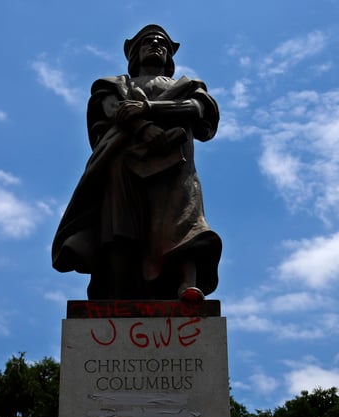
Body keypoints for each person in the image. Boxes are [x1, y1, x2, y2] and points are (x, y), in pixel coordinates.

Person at [52, 24, 222, 301]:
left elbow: (198, 110)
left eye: (162, 43)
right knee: (120, 227)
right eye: (148, 42)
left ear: (169, 55)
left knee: (183, 220)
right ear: (135, 53)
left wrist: (148, 108)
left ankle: (187, 285)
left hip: (176, 166)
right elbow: (112, 111)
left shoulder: (188, 86)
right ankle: (117, 290)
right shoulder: (114, 85)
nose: (156, 45)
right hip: (124, 165)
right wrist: (144, 129)